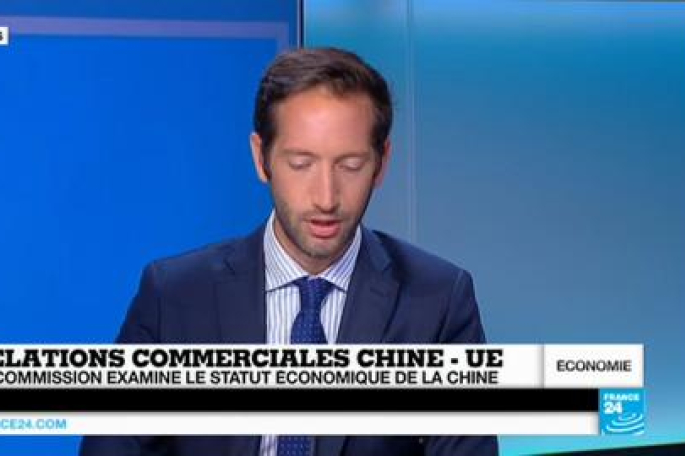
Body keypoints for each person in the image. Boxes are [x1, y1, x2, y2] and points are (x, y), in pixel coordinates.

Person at [80, 47, 497, 456]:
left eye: (350, 165)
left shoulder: (438, 301)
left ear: (382, 162)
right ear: (261, 158)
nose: (326, 198)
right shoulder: (174, 296)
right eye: (301, 164)